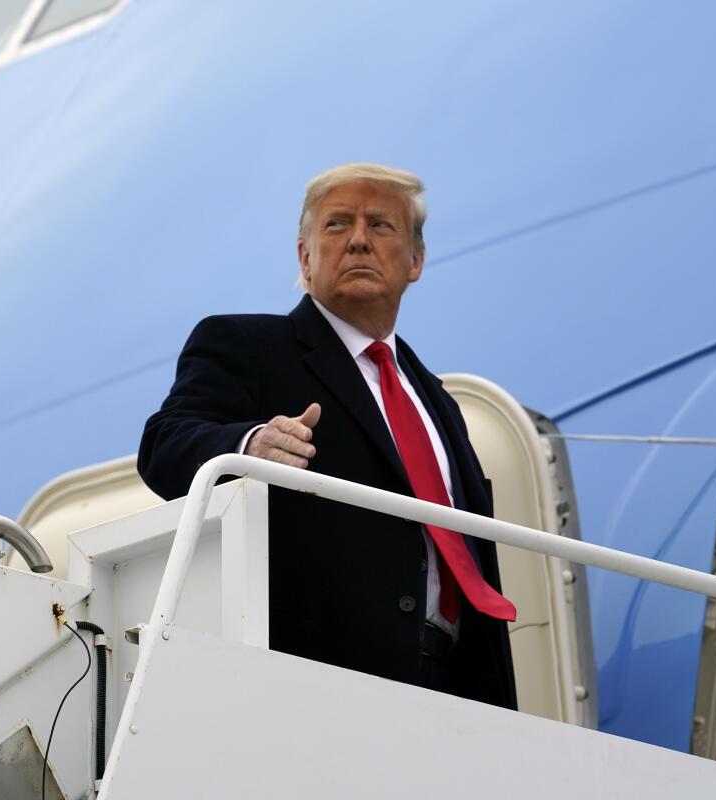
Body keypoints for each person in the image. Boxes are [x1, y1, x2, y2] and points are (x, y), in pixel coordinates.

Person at [138, 163, 516, 709]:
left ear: (416, 260)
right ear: (305, 257)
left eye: (382, 225)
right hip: (317, 682)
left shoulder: (437, 400)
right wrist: (249, 446)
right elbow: (165, 444)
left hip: (456, 688)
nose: (359, 239)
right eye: (337, 225)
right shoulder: (245, 344)